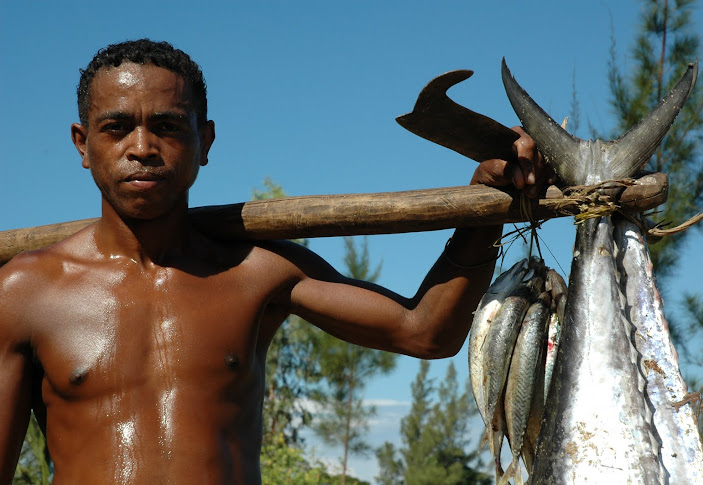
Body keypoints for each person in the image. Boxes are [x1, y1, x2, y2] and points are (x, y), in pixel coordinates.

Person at [0, 39, 545, 484]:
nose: (142, 147)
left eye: (167, 126)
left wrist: (485, 209)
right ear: (82, 143)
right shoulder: (24, 292)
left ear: (204, 140)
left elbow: (424, 332)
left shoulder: (257, 272)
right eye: (116, 127)